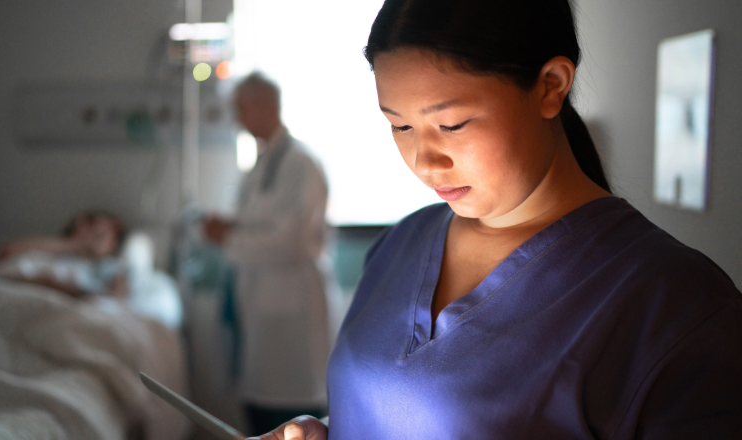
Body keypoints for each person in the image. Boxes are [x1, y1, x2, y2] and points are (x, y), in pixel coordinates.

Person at [252, 0, 742, 439]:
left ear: (551, 86)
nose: (424, 161)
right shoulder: (403, 242)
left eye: (451, 124)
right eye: (399, 125)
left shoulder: (675, 303)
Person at [203, 73, 335, 436]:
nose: (236, 118)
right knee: (259, 408)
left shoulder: (300, 163)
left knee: (294, 417)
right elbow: (261, 222)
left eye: (240, 109)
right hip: (262, 308)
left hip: (290, 309)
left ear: (263, 105)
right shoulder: (263, 163)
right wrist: (229, 228)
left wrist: (228, 239)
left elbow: (291, 241)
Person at [0, 210, 129, 298]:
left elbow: (116, 302)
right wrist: (73, 244)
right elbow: (5, 253)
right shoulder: (49, 253)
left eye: (113, 235)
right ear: (81, 225)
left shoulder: (112, 267)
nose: (107, 233)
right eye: (97, 227)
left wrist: (53, 285)